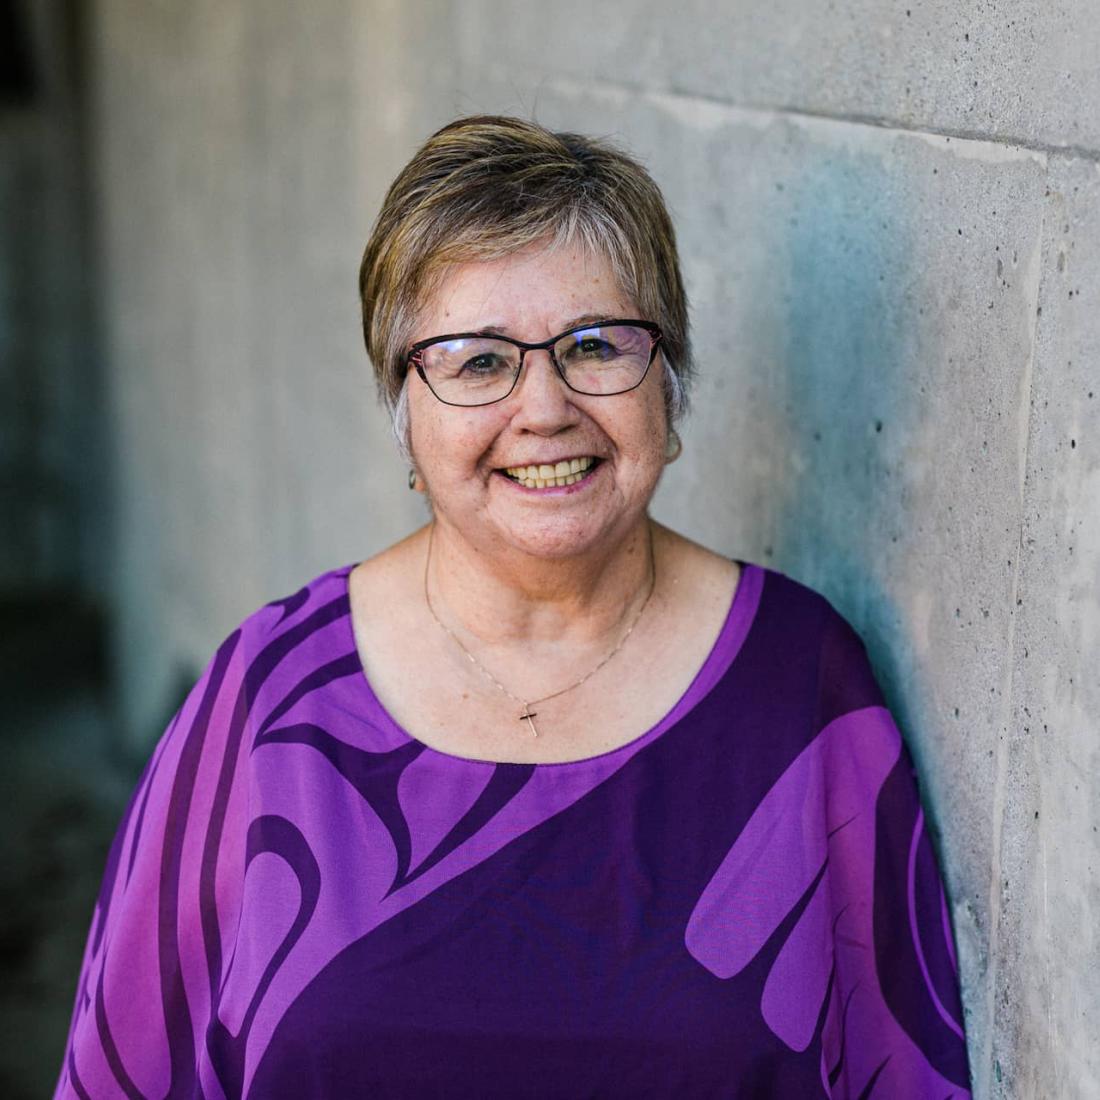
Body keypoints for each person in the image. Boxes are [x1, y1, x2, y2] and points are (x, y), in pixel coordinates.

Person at [55, 116, 971, 1098]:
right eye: (478, 360)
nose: (543, 408)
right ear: (403, 409)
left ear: (668, 382)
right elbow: (125, 1070)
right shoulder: (271, 696)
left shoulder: (801, 689)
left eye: (595, 344)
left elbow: (902, 1071)